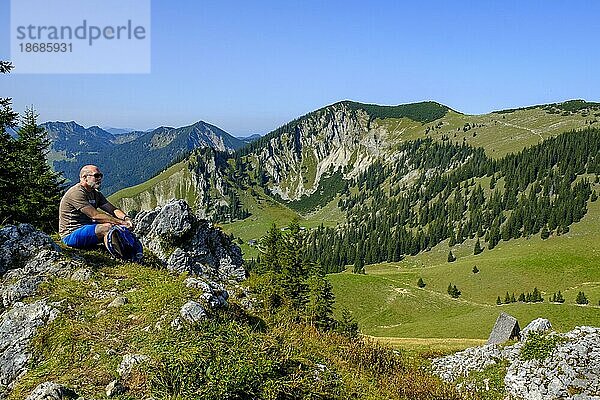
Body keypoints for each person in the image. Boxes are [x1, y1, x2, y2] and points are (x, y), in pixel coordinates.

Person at [59, 165, 133, 249]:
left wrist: (126, 218)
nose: (99, 179)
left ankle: (124, 252)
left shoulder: (95, 193)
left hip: (87, 228)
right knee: (107, 227)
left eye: (101, 176)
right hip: (71, 234)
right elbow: (95, 215)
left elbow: (112, 209)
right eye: (96, 176)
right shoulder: (76, 193)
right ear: (84, 177)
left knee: (117, 227)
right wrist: (121, 222)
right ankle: (118, 256)